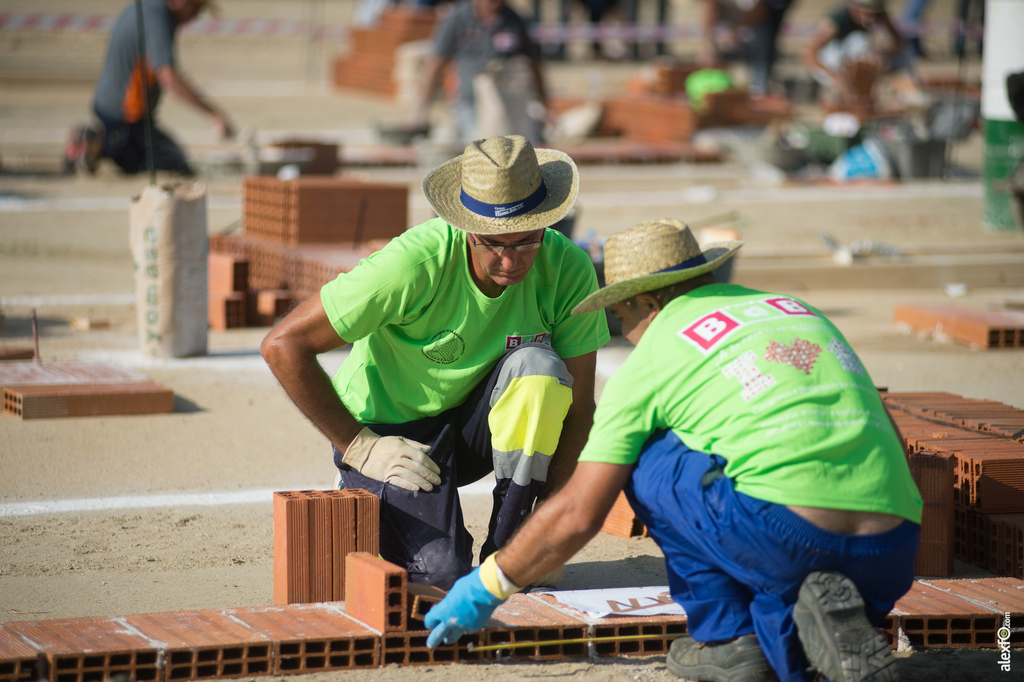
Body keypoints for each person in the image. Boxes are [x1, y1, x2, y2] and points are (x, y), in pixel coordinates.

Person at [424, 218, 922, 682]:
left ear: (647, 303)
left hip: (791, 542)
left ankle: (729, 636)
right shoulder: (794, 310)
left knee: (646, 457)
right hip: (895, 551)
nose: (628, 333)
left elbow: (580, 512)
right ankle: (833, 618)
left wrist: (487, 586)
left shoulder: (657, 354)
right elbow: (892, 438)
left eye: (620, 316)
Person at [261, 134, 609, 590]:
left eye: (526, 242)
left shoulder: (568, 268)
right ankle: (362, 482)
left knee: (540, 372)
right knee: (440, 576)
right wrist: (359, 446)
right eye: (493, 244)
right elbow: (283, 345)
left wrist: (552, 519)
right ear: (466, 227)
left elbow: (580, 405)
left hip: (474, 429)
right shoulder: (413, 264)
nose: (510, 262)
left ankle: (510, 545)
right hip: (395, 437)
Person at [64, 0, 234, 176]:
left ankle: (102, 140)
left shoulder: (147, 8)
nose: (196, 16)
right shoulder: (157, 19)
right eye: (196, 8)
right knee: (172, 163)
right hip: (126, 117)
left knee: (167, 153)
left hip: (110, 107)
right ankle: (99, 144)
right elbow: (170, 79)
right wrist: (213, 113)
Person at [409, 0, 549, 146]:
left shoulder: (514, 20)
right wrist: (420, 109)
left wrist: (544, 104)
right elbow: (435, 63)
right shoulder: (458, 18)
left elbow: (535, 64)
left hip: (505, 101)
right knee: (476, 144)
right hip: (468, 99)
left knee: (515, 143)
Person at [802, 0, 921, 110]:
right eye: (865, 13)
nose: (870, 19)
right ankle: (846, 96)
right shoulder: (837, 19)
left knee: (905, 54)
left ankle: (907, 86)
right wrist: (835, 77)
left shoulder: (880, 15)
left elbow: (899, 43)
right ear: (854, 9)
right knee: (859, 42)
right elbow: (809, 52)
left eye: (873, 14)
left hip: (857, 62)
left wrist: (881, 56)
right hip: (832, 63)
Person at [697, 0, 796, 98]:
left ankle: (758, 88)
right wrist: (707, 42)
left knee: (763, 38)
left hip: (754, 27)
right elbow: (707, 5)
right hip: (727, 31)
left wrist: (738, 28)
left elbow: (762, 12)